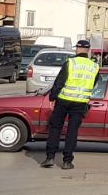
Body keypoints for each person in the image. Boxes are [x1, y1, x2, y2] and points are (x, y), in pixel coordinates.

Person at [42, 41, 100, 170]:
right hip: (80, 103)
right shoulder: (95, 66)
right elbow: (94, 84)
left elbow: (59, 82)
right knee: (72, 132)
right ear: (88, 50)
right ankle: (67, 161)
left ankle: (50, 157)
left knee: (55, 128)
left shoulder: (70, 63)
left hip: (63, 100)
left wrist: (52, 98)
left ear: (78, 49)